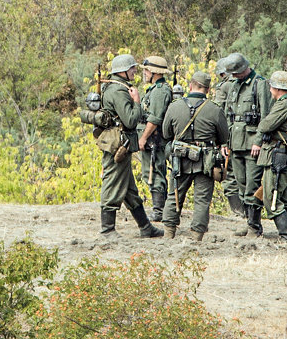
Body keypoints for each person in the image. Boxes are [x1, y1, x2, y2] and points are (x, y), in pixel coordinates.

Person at [98, 54, 163, 238]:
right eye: (132, 68)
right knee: (112, 183)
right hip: (118, 146)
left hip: (121, 144)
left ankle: (145, 227)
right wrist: (136, 101)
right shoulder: (119, 91)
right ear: (123, 71)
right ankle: (107, 229)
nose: (135, 71)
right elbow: (131, 120)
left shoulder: (114, 86)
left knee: (130, 190)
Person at [160, 71, 230, 241]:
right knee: (202, 199)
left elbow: (165, 133)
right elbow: (224, 137)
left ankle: (168, 233)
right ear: (208, 89)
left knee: (174, 194)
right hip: (205, 162)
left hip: (180, 159)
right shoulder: (214, 109)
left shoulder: (174, 106)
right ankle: (196, 236)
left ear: (190, 85)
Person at [220, 52, 271, 237]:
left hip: (252, 145)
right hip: (235, 142)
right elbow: (227, 115)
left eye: (236, 73)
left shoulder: (260, 84)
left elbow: (266, 116)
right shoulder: (233, 86)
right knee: (240, 184)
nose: (234, 76)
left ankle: (254, 227)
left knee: (252, 185)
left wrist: (259, 141)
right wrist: (225, 142)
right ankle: (248, 222)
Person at [251, 69, 287, 243]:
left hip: (277, 156)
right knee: (285, 198)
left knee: (271, 199)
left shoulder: (283, 105)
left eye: (271, 87)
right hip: (285, 156)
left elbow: (265, 125)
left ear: (277, 88)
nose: (270, 90)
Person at [138, 55, 173, 221]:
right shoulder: (155, 89)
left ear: (154, 72)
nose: (144, 73)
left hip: (155, 140)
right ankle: (161, 209)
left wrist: (143, 138)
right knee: (153, 172)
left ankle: (159, 211)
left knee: (154, 172)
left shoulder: (159, 91)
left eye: (146, 70)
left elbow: (154, 119)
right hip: (154, 139)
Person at [213, 58, 246, 218]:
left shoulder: (224, 87)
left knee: (229, 176)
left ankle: (238, 212)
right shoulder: (246, 84)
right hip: (246, 138)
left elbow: (217, 113)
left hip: (229, 137)